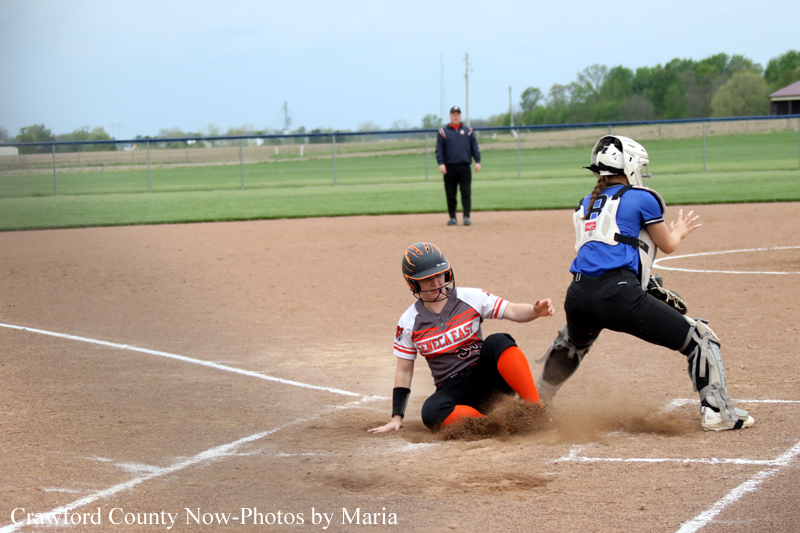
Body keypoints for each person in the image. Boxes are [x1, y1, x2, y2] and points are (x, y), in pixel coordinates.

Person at [536, 135, 754, 432]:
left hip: (577, 295)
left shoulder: (585, 203)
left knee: (572, 343)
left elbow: (600, 252)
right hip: (618, 295)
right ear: (629, 165)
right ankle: (717, 411)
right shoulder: (642, 197)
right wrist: (680, 230)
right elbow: (667, 245)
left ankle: (537, 404)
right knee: (700, 337)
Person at [368, 242, 554, 433]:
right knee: (431, 412)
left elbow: (513, 310)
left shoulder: (470, 297)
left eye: (439, 275)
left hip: (488, 379)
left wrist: (535, 311)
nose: (436, 282)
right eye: (427, 278)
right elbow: (404, 371)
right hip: (452, 388)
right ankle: (495, 424)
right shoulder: (409, 321)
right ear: (412, 283)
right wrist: (396, 417)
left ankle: (535, 411)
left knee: (498, 341)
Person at [435, 106, 481, 226]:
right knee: (451, 194)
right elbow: (439, 150)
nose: (456, 117)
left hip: (464, 166)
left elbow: (474, 148)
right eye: (453, 114)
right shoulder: (443, 132)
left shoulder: (468, 131)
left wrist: (477, 161)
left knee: (466, 192)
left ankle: (466, 216)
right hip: (449, 168)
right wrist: (441, 163)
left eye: (458, 114)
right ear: (450, 116)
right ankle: (452, 217)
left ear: (460, 116)